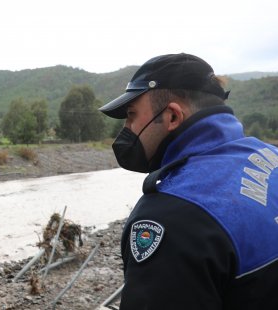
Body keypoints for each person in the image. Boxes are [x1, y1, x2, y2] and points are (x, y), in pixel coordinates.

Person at [99, 53, 278, 309]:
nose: (127, 128)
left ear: (172, 116)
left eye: (131, 114)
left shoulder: (173, 218)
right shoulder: (272, 155)